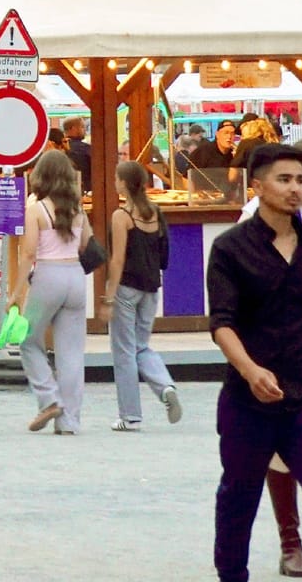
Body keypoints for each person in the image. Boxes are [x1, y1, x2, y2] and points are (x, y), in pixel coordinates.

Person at [208, 144, 302, 582]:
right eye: (285, 179)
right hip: (248, 399)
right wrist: (249, 370)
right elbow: (222, 323)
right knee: (238, 496)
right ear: (258, 187)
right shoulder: (229, 248)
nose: (296, 189)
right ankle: (232, 574)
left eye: (301, 180)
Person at [10, 149, 89, 434]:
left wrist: (16, 294)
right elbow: (86, 244)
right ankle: (69, 422)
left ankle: (48, 397)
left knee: (29, 339)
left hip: (48, 275)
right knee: (71, 352)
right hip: (76, 277)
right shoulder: (77, 209)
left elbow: (28, 253)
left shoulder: (36, 209)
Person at [103, 160, 182, 432]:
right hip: (151, 286)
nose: (114, 181)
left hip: (126, 287)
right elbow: (164, 253)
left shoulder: (122, 215)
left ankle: (130, 416)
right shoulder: (155, 213)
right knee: (142, 345)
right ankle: (165, 386)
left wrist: (108, 297)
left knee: (123, 351)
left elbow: (117, 259)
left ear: (124, 183)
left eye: (117, 177)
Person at [61, 116, 94, 190]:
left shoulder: (58, 148)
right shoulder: (85, 148)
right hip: (86, 190)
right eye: (82, 127)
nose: (85, 130)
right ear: (73, 128)